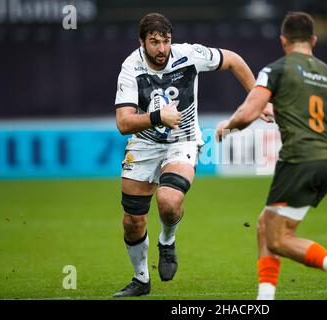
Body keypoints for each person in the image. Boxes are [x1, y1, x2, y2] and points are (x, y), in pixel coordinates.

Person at [113, 12, 271, 297]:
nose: (162, 49)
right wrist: (158, 116)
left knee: (169, 199)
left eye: (166, 41)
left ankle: (167, 241)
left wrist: (257, 101)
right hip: (144, 145)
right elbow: (123, 123)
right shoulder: (130, 68)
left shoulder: (188, 55)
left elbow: (233, 59)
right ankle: (140, 280)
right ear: (142, 42)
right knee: (132, 221)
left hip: (183, 141)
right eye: (154, 42)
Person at [216, 11, 327, 300]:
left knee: (278, 240)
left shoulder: (277, 69)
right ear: (313, 40)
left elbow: (249, 112)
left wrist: (229, 126)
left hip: (299, 160)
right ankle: (265, 297)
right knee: (266, 224)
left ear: (282, 40)